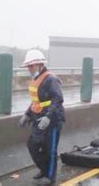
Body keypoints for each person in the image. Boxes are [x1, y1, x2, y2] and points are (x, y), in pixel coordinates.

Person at [18, 49, 65, 185]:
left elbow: (58, 99)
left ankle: (50, 178)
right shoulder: (36, 80)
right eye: (28, 66)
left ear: (40, 64)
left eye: (32, 66)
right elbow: (36, 101)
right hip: (38, 119)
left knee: (50, 150)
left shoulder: (50, 79)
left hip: (52, 120)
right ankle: (44, 170)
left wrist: (49, 117)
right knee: (32, 145)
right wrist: (27, 114)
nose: (30, 69)